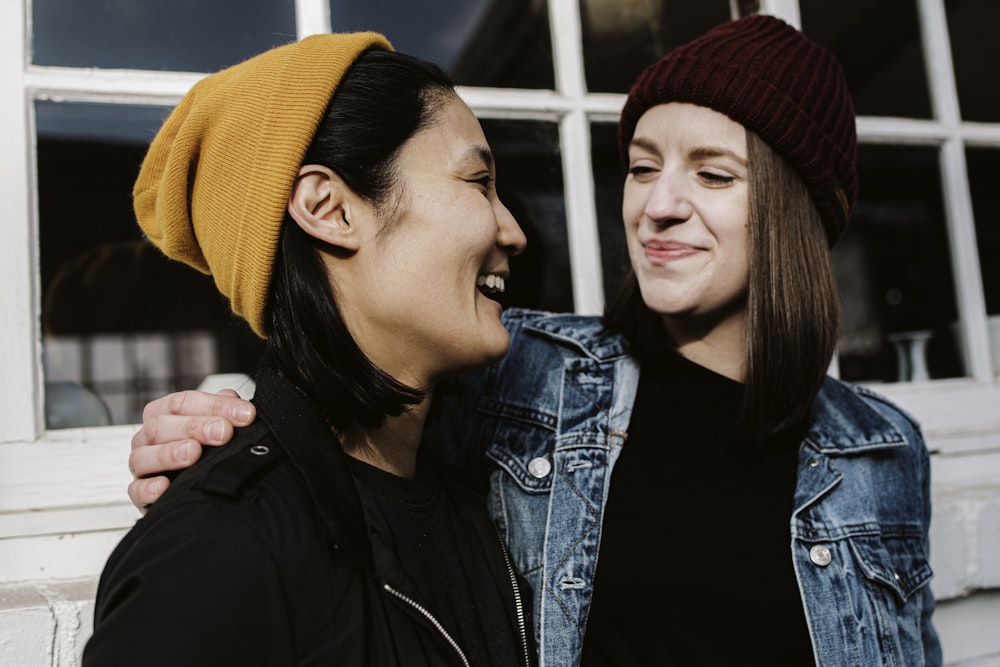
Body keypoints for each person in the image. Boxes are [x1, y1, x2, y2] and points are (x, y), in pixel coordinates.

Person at [123, 14, 942, 666]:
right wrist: (232, 422)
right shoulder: (525, 378)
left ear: (801, 216)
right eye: (642, 165)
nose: (657, 204)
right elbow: (349, 370)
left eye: (714, 174)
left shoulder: (879, 449)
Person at [84, 32, 537, 667]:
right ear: (329, 208)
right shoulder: (216, 548)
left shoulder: (467, 493)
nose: (513, 231)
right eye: (479, 181)